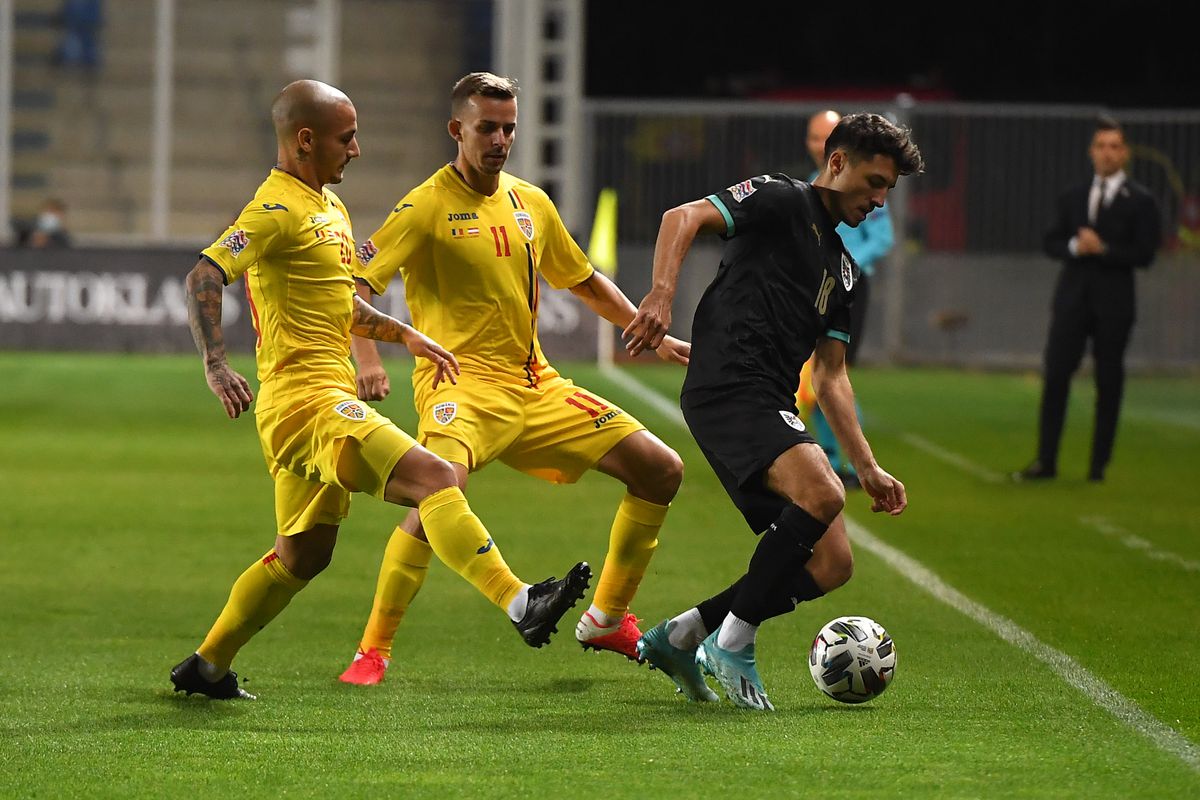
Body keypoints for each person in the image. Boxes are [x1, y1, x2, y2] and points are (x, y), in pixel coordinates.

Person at [169, 79, 590, 701]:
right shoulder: (275, 209)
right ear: (305, 140)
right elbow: (204, 273)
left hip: (320, 399)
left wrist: (406, 336)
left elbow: (341, 306)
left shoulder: (328, 208)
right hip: (307, 404)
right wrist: (215, 363)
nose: (358, 150)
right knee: (437, 480)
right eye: (347, 138)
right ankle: (520, 600)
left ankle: (206, 667)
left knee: (302, 557)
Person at [338, 71, 688, 685]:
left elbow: (581, 279)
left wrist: (647, 330)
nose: (500, 139)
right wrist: (368, 362)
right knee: (436, 491)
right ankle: (373, 650)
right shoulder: (423, 207)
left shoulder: (531, 202)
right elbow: (355, 289)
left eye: (509, 128)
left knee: (661, 469)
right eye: (487, 128)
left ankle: (608, 617)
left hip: (537, 385)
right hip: (460, 389)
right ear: (457, 130)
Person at [625, 113, 922, 710]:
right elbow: (681, 217)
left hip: (769, 399)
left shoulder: (843, 270)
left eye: (888, 189)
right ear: (837, 163)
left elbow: (832, 376)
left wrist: (867, 466)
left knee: (833, 562)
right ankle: (734, 640)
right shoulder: (781, 199)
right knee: (821, 494)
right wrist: (661, 294)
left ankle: (681, 635)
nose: (879, 199)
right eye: (873, 182)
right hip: (727, 386)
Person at [1014, 115, 1161, 483]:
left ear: (1125, 153)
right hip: (1072, 299)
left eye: (1114, 147)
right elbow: (1051, 242)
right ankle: (1046, 461)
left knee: (1109, 380)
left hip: (1115, 302)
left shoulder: (1141, 201)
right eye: (1101, 146)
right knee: (1056, 375)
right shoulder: (1073, 196)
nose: (1107, 153)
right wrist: (1075, 246)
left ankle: (1098, 466)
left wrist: (1104, 249)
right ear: (1091, 151)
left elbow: (1145, 253)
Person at [796, 109, 896, 489]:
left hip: (850, 286)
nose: (818, 146)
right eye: (812, 138)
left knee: (834, 372)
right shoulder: (808, 187)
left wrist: (849, 265)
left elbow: (882, 238)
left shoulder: (861, 188)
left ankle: (849, 461)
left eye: (825, 137)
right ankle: (831, 456)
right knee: (815, 372)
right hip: (816, 285)